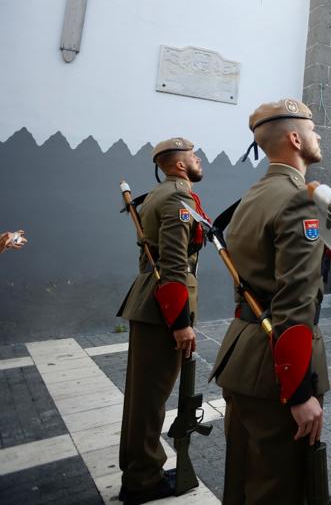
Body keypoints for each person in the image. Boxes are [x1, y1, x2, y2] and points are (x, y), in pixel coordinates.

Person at [209, 98, 330, 503]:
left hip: (243, 353)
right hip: (277, 363)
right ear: (295, 138)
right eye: (312, 130)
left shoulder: (253, 195)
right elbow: (296, 302)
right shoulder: (300, 200)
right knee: (278, 485)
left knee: (243, 475)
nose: (318, 136)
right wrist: (297, 392)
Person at [116, 138, 207, 504]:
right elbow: (172, 264)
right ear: (181, 164)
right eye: (194, 156)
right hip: (162, 310)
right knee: (150, 401)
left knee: (143, 399)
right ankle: (142, 480)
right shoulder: (176, 199)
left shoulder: (157, 194)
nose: (199, 159)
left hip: (152, 307)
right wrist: (181, 322)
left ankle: (141, 469)